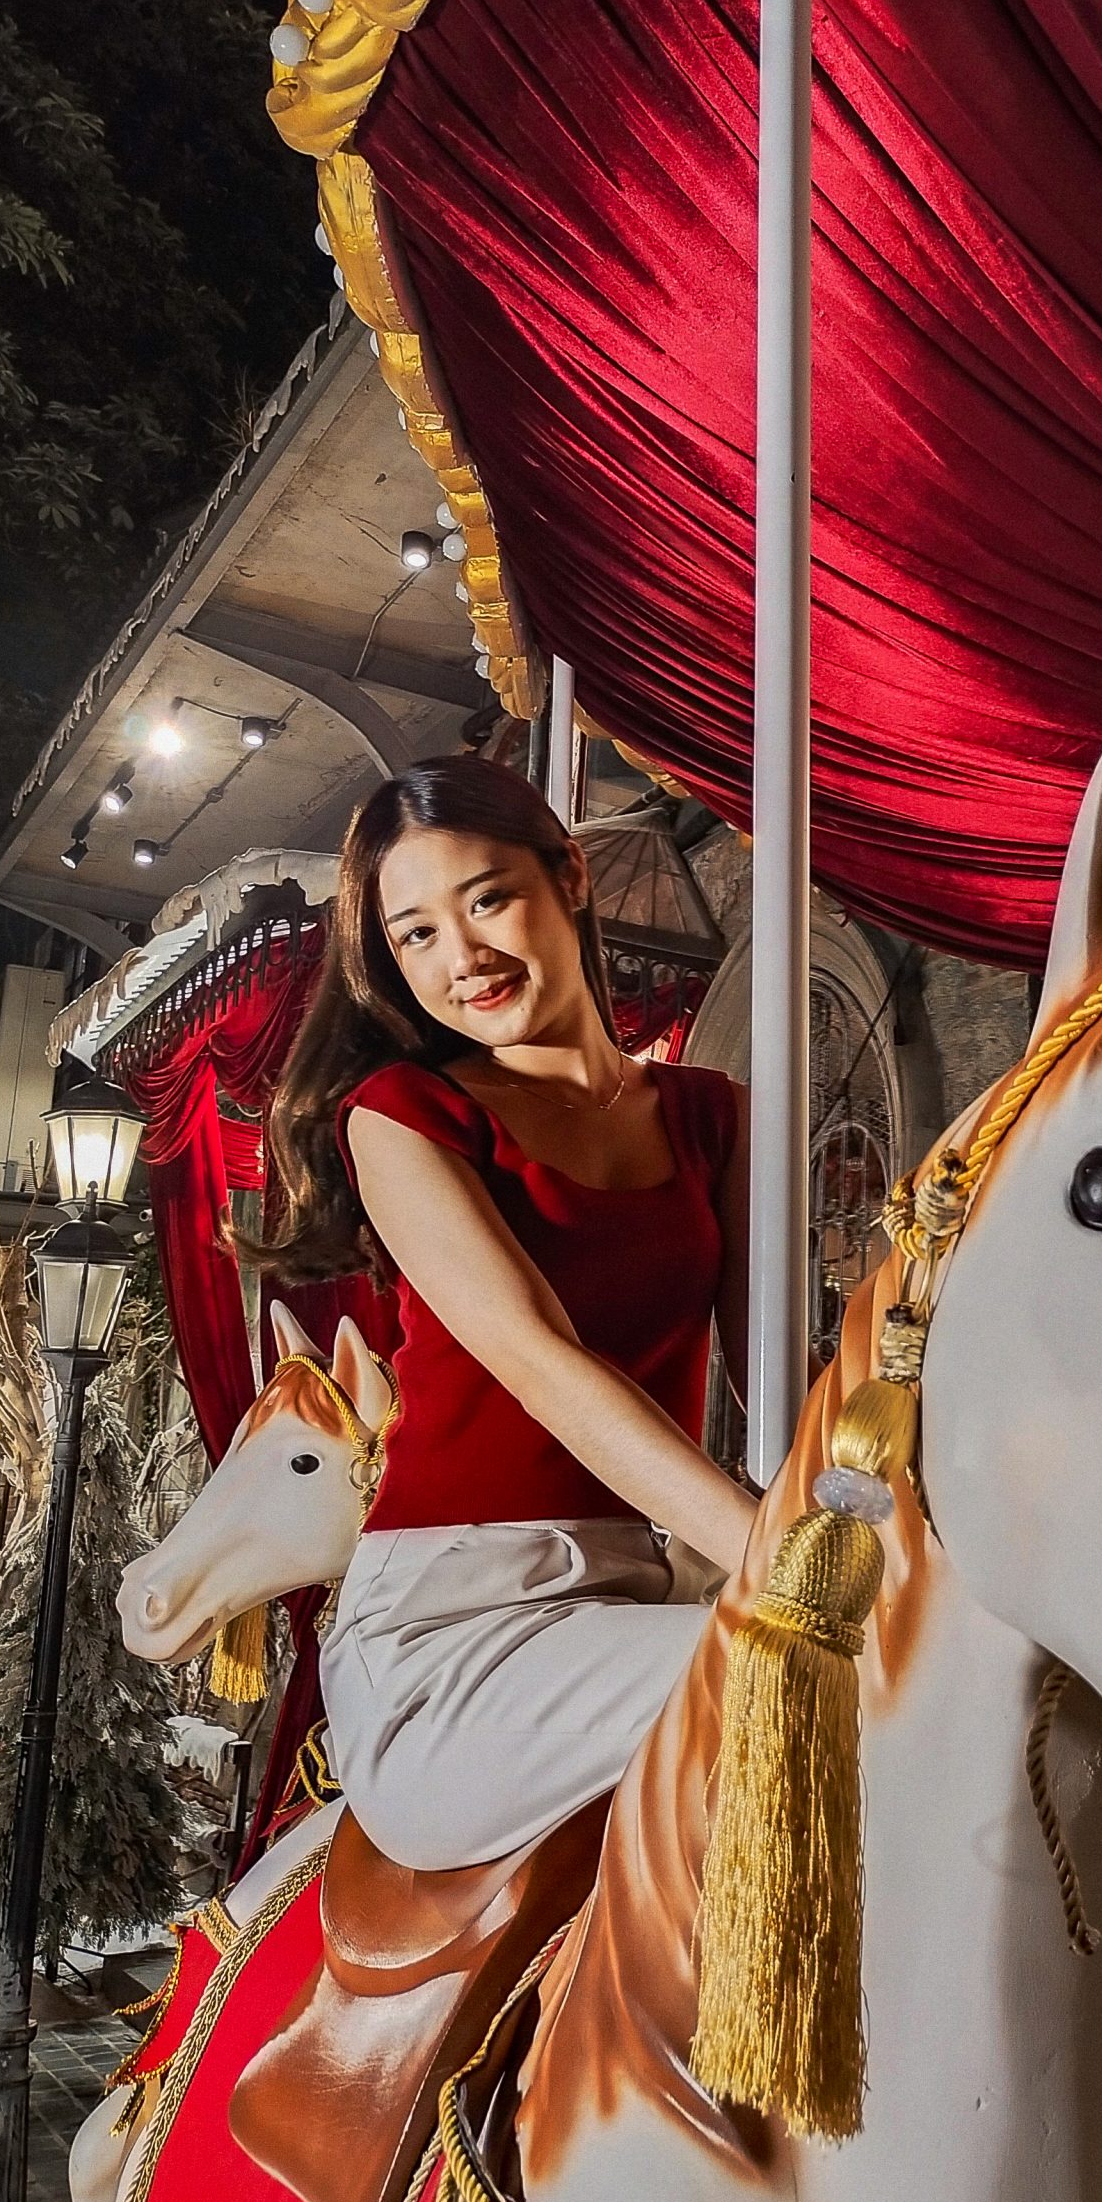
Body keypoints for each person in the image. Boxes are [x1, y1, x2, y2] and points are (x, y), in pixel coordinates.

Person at [248, 755, 758, 1874]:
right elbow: (539, 1360)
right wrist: (771, 1550)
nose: (462, 956)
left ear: (569, 876)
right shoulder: (404, 1112)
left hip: (648, 1593)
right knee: (810, 1672)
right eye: (416, 934)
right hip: (458, 1625)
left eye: (487, 899)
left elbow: (784, 1375)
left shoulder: (714, 1116)